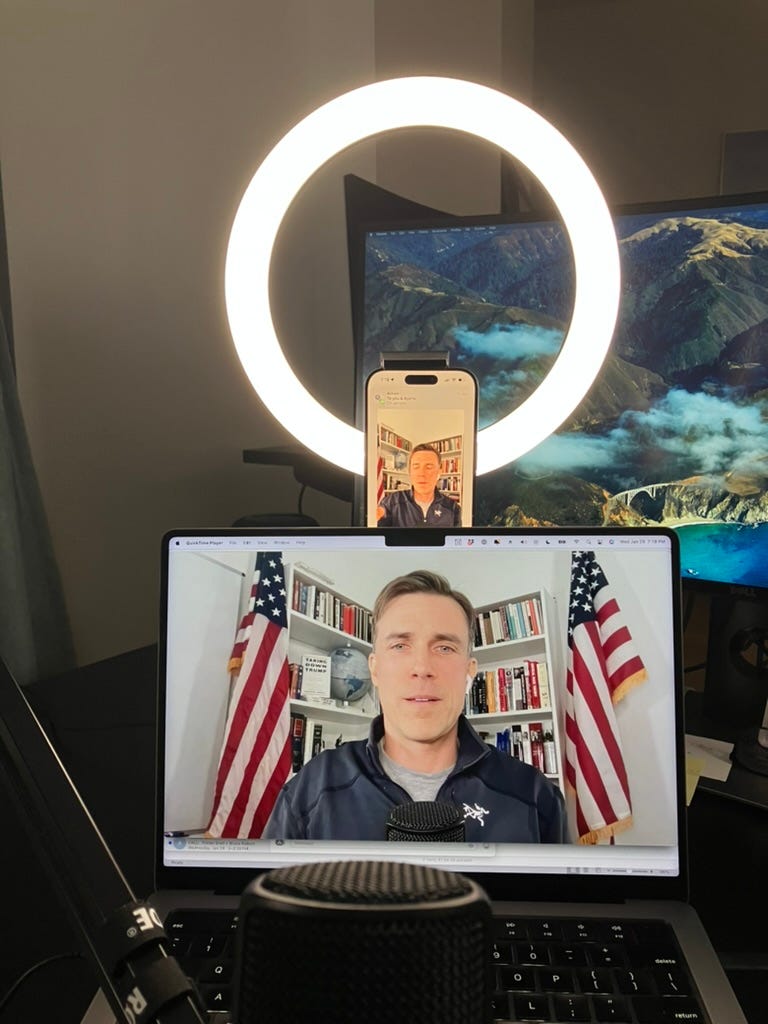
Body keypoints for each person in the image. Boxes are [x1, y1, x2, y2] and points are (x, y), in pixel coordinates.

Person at [263, 570, 566, 842]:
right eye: (400, 646)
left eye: (444, 647)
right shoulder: (311, 789)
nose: (422, 668)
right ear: (375, 669)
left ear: (469, 671)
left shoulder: (535, 796)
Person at [377, 443, 461, 526]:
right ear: (410, 472)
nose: (422, 474)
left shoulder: (452, 508)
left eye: (429, 467)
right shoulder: (390, 504)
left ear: (439, 472)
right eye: (416, 467)